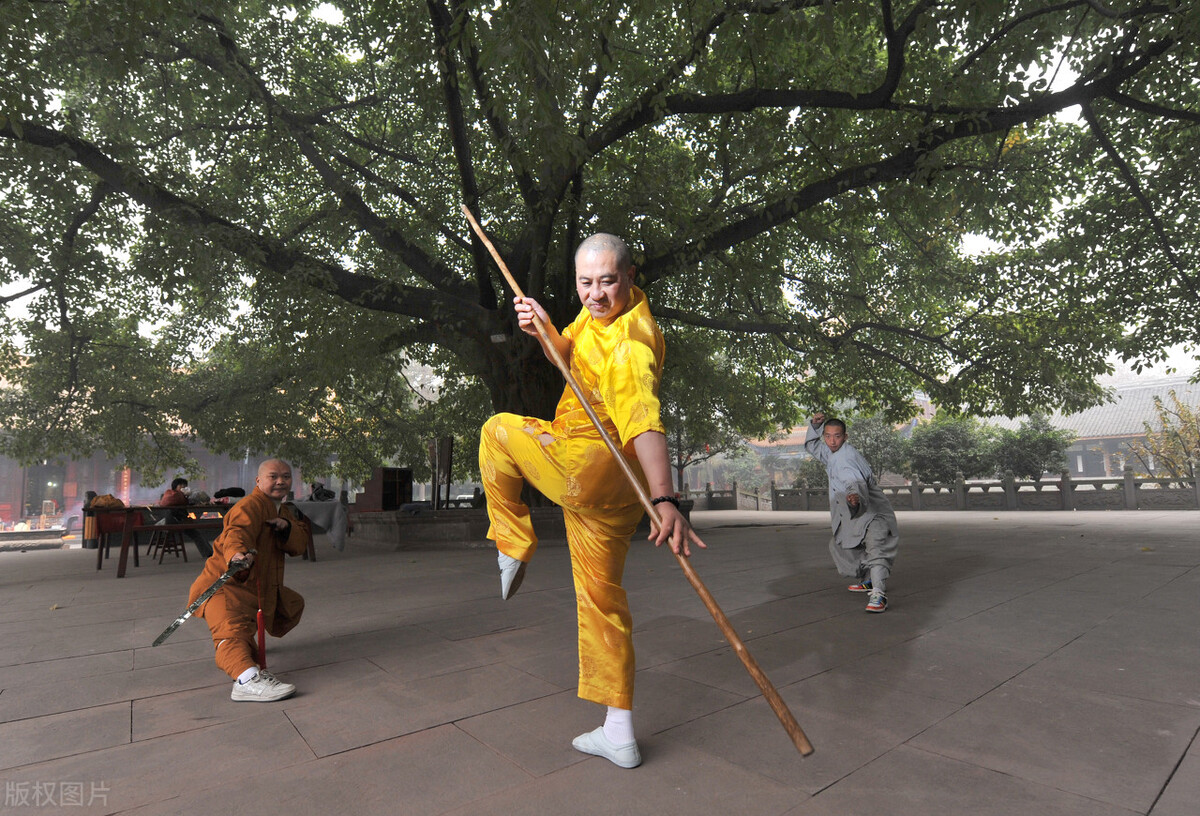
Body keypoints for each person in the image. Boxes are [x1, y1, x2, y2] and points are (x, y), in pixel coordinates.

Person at [479, 232, 706, 769]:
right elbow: (570, 359)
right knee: (602, 602)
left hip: (589, 465)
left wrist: (666, 498)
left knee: (496, 431)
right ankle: (618, 732)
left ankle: (511, 543)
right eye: (586, 283)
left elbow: (643, 421)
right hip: (615, 496)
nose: (596, 294)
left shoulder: (630, 345)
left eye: (607, 281)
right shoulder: (598, 317)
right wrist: (545, 331)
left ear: (630, 277)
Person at [186, 459, 311, 702]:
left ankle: (250, 655)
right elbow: (236, 532)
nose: (280, 481)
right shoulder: (249, 505)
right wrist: (237, 555)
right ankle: (246, 681)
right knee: (231, 634)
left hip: (254, 587)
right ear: (258, 480)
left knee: (290, 605)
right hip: (224, 586)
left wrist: (286, 527)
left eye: (286, 477)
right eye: (273, 476)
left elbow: (299, 543)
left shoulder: (283, 510)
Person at [804, 413, 899, 613]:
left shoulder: (845, 458)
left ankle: (879, 594)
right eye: (828, 436)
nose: (832, 441)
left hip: (873, 512)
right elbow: (812, 446)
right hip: (856, 510)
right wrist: (814, 426)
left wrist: (854, 495)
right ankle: (869, 579)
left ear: (845, 437)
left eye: (837, 436)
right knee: (840, 545)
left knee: (875, 549)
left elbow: (853, 480)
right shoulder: (832, 452)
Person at [159, 477, 214, 558]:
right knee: (196, 533)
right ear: (176, 486)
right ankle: (209, 554)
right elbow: (183, 502)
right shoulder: (175, 495)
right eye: (181, 485)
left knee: (196, 532)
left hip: (176, 519)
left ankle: (209, 552)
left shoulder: (172, 494)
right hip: (176, 521)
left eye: (185, 485)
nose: (183, 487)